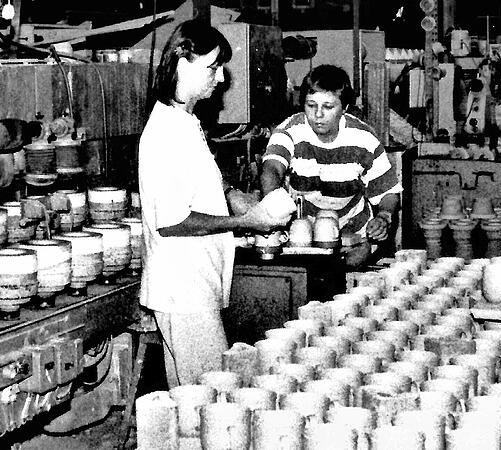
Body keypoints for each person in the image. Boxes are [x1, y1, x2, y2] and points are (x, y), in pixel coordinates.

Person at [138, 19, 288, 387]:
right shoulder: (165, 133)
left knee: (195, 396)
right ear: (182, 63)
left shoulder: (184, 120)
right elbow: (172, 222)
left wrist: (233, 196)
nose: (220, 78)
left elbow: (200, 176)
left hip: (196, 283)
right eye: (213, 67)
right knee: (210, 396)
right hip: (183, 289)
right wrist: (246, 223)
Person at [260, 64, 402, 268]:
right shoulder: (290, 131)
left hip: (353, 237)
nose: (318, 114)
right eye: (311, 105)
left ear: (344, 108)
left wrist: (384, 217)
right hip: (303, 237)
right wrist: (272, 203)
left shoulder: (363, 138)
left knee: (345, 277)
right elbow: (272, 168)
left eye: (328, 107)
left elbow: (387, 192)